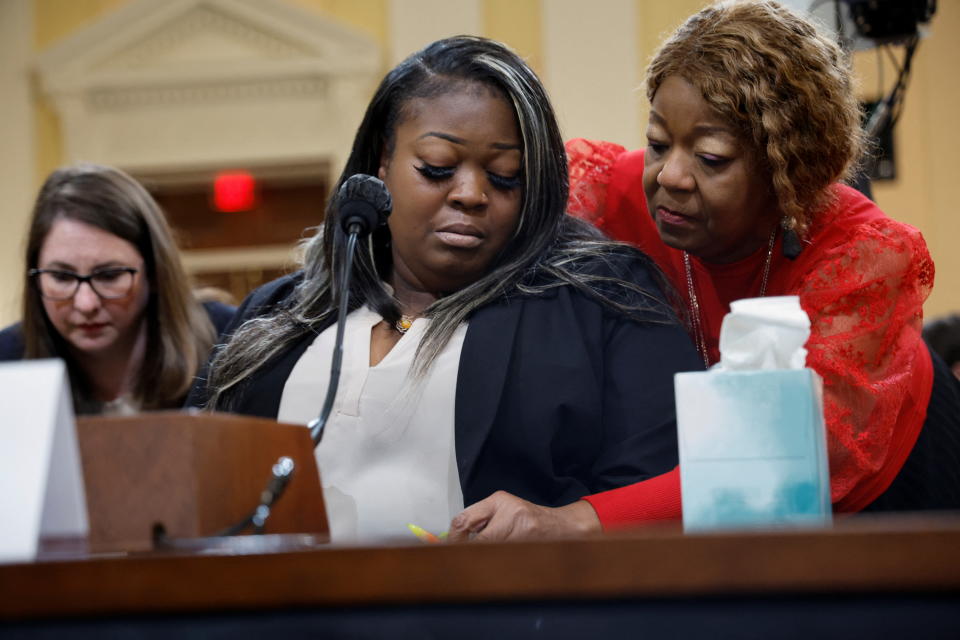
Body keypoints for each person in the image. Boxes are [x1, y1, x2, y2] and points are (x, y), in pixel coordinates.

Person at [448, 0, 960, 542]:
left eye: (711, 158)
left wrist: (576, 519)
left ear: (789, 169)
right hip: (701, 490)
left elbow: (783, 463)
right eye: (658, 143)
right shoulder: (606, 192)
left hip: (889, 499)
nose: (670, 175)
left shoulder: (860, 256)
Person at [188, 35, 702, 542]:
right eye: (437, 168)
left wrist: (564, 524)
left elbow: (669, 489)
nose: (471, 194)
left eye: (505, 176)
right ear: (380, 166)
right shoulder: (275, 314)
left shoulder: (603, 300)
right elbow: (189, 487)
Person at [0, 164, 234, 414]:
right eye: (61, 277)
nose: (86, 303)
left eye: (109, 275)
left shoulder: (229, 341)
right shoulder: (7, 362)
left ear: (155, 273)